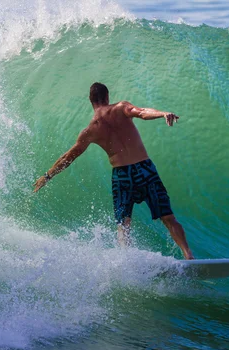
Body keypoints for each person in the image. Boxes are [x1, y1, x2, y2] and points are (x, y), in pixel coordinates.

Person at [33, 82, 194, 259]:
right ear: (107, 96)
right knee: (168, 218)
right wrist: (163, 113)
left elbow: (68, 157)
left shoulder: (90, 130)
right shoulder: (121, 108)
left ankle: (127, 263)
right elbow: (141, 112)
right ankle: (188, 255)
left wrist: (47, 176)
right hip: (145, 169)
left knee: (123, 225)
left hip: (122, 176)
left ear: (90, 100)